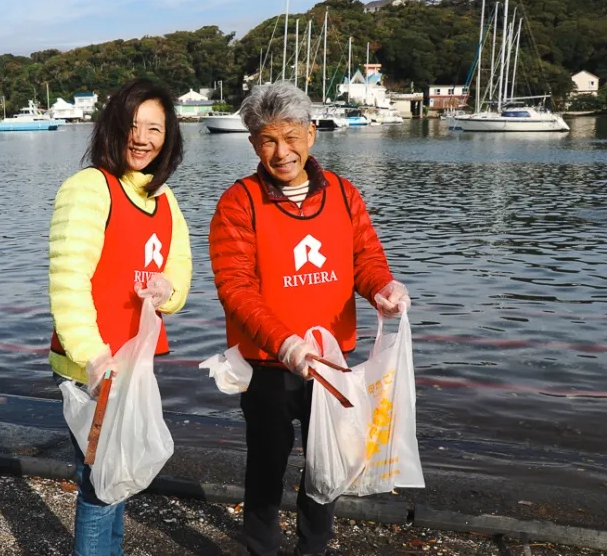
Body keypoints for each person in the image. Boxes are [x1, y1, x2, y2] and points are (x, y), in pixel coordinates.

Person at [208, 81, 410, 556]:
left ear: (312, 134)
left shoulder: (342, 193)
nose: (282, 152)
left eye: (291, 136)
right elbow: (234, 287)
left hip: (333, 363)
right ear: (254, 143)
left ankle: (313, 548)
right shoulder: (239, 203)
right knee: (266, 466)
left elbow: (365, 259)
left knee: (328, 463)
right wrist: (285, 342)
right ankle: (261, 548)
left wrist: (382, 288)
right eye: (268, 140)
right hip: (269, 365)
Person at [48, 78, 192, 556]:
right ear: (111, 127)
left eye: (155, 128)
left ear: (168, 137)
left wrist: (167, 292)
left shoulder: (165, 199)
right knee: (98, 486)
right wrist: (92, 356)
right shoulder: (89, 187)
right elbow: (68, 281)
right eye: (132, 125)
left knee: (118, 479)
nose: (142, 137)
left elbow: (180, 274)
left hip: (138, 363)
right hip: (93, 366)